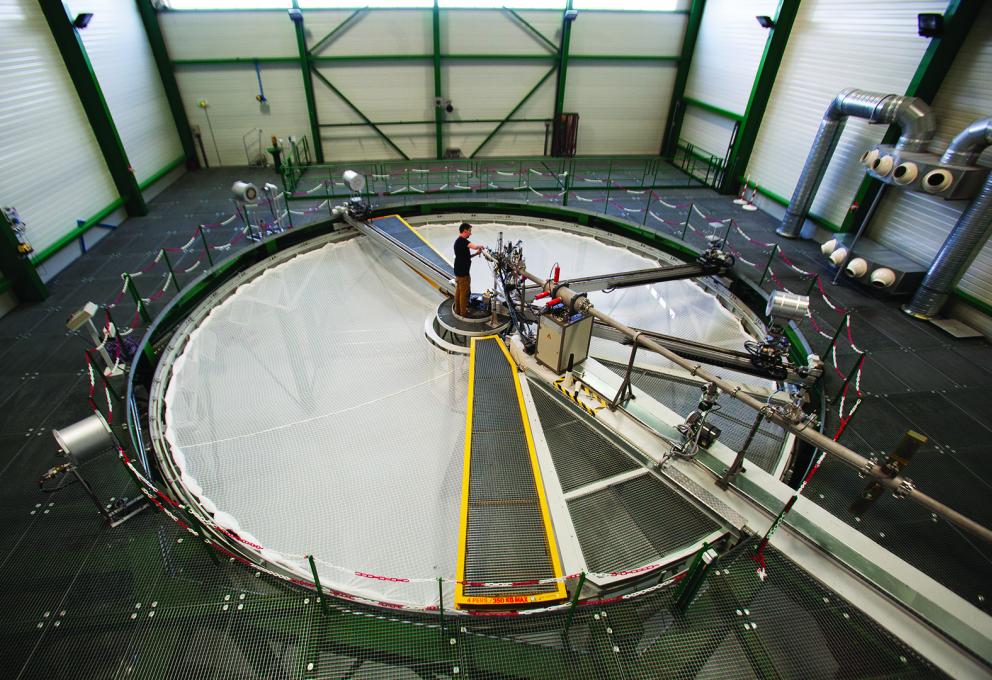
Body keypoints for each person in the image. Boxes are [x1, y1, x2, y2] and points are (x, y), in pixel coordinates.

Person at [453, 222, 484, 317]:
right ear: (465, 231)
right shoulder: (463, 241)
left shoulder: (458, 241)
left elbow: (466, 257)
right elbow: (474, 246)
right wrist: (481, 246)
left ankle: (458, 310)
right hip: (463, 273)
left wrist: (476, 254)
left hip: (458, 271)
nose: (471, 233)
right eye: (470, 231)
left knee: (458, 291)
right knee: (463, 293)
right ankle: (463, 313)